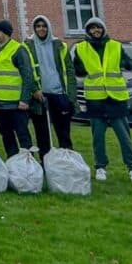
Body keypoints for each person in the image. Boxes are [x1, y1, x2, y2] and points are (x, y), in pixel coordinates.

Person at [73, 17, 132, 183]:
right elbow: (78, 71)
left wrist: (125, 63)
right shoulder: (81, 48)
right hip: (95, 99)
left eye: (98, 28)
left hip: (115, 98)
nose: (96, 31)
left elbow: (130, 64)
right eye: (92, 28)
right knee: (98, 138)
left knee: (124, 137)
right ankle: (100, 167)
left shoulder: (116, 46)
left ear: (103, 29)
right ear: (88, 31)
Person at [25, 14, 76, 159]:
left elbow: (69, 71)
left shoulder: (59, 45)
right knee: (42, 134)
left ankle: (68, 162)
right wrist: (34, 89)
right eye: (38, 26)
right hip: (40, 96)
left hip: (59, 94)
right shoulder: (27, 45)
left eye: (44, 26)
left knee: (64, 133)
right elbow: (27, 70)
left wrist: (70, 96)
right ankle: (46, 163)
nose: (41, 29)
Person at [0, 19, 37, 157]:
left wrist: (25, 99)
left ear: (6, 33)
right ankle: (13, 161)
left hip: (16, 103)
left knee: (23, 134)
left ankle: (28, 163)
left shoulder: (18, 49)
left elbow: (27, 76)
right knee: (6, 135)